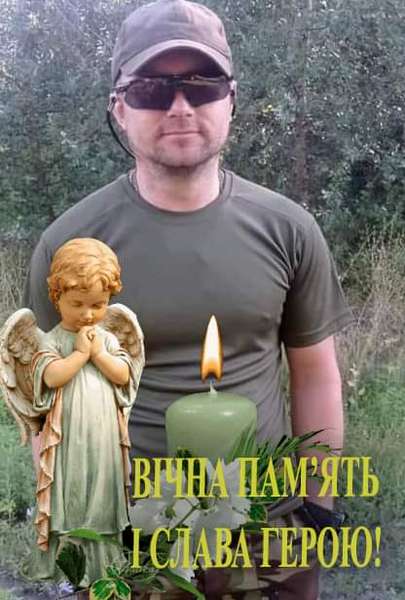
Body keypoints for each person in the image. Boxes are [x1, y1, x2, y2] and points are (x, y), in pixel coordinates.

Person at [24, 1, 352, 597]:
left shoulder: (288, 229)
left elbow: (315, 374)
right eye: (152, 89)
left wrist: (317, 506)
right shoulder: (71, 247)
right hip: (130, 543)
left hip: (269, 533)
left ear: (231, 100)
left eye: (202, 86)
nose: (180, 107)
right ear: (119, 108)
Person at [23, 238, 143, 586]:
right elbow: (50, 376)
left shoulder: (106, 339)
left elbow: (123, 375)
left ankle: (105, 561)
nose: (88, 314)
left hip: (104, 431)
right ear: (56, 296)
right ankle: (70, 563)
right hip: (68, 433)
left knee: (103, 486)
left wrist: (99, 354)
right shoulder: (52, 340)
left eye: (98, 305)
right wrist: (78, 354)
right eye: (77, 304)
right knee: (73, 487)